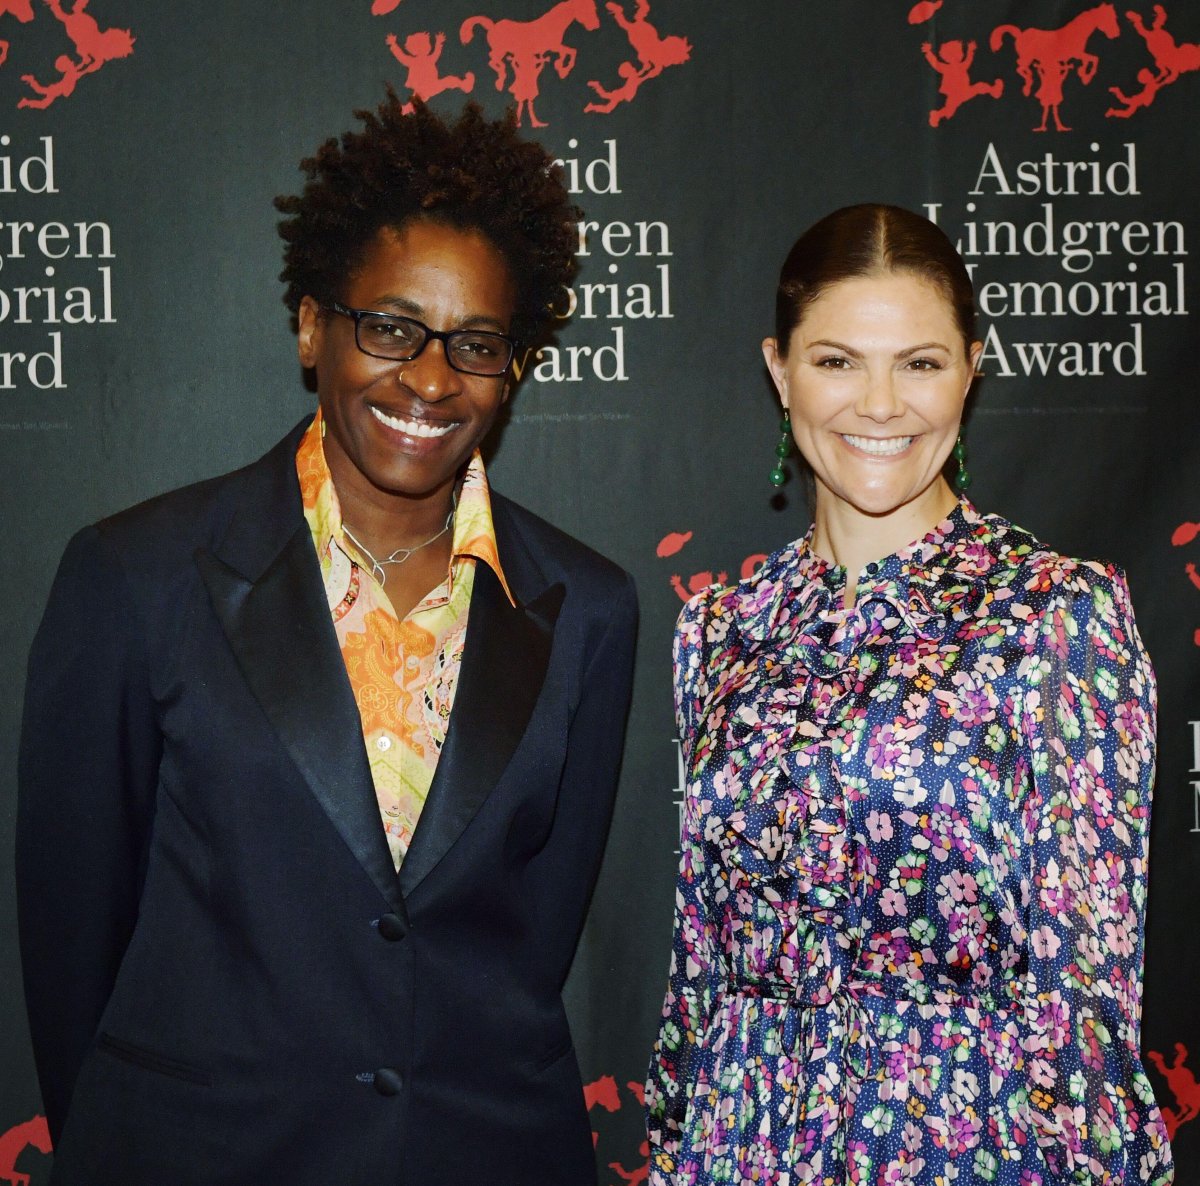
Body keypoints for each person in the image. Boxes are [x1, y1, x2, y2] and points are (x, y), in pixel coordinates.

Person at [18, 96, 637, 1186]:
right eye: (391, 327)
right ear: (314, 324)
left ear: (516, 366)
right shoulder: (139, 576)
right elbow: (75, 940)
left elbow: (530, 947)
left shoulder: (585, 606)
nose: (431, 379)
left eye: (476, 344)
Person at [645, 204, 1173, 1184]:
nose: (880, 404)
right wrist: (676, 1154)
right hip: (749, 1152)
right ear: (780, 370)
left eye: (920, 363)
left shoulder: (1055, 616)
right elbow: (704, 957)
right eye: (838, 361)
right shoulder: (720, 628)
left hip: (978, 1154)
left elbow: (1087, 981)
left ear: (971, 371)